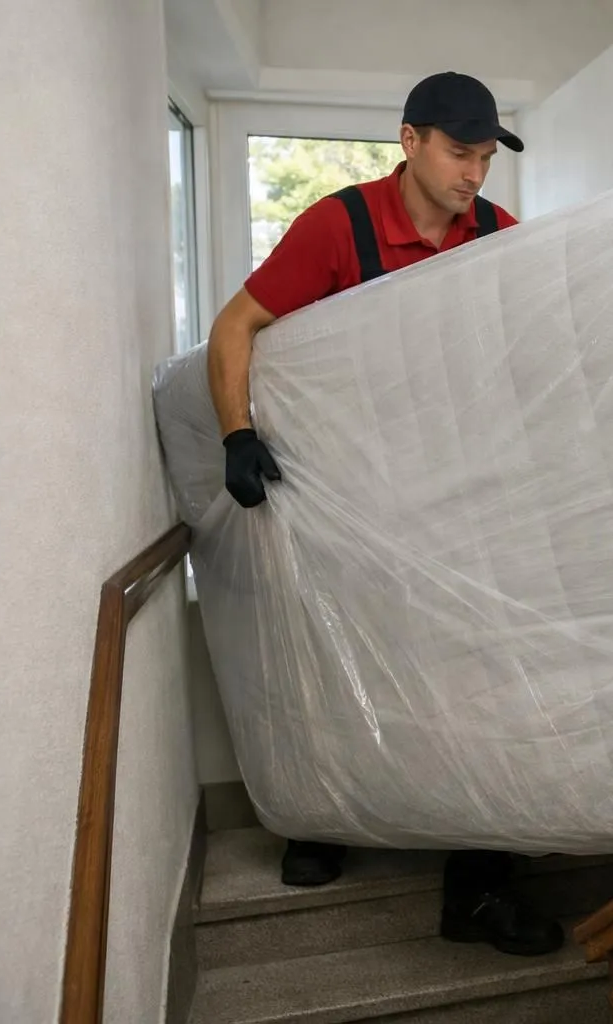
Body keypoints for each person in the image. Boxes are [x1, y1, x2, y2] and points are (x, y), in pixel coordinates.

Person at [205, 70, 563, 957]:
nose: (474, 174)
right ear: (409, 141)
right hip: (351, 493)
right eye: (458, 153)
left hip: (458, 489)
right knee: (340, 655)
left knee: (480, 675)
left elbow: (538, 340)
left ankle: (478, 888)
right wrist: (236, 434)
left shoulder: (495, 236)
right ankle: (323, 823)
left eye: (486, 156)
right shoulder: (342, 226)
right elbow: (236, 327)